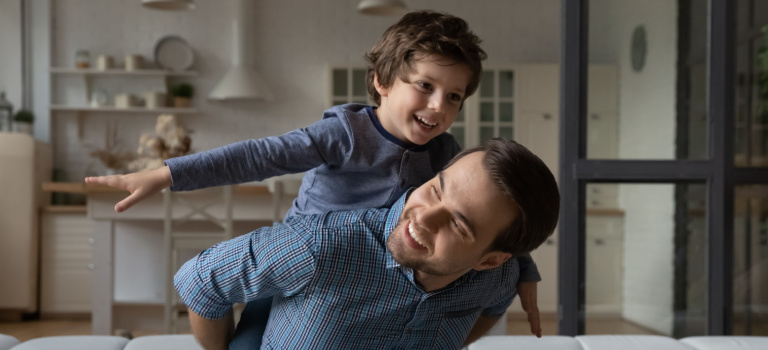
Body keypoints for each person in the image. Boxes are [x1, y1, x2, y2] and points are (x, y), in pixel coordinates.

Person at [85, 10, 544, 346]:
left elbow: (487, 220)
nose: (439, 106)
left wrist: (524, 271)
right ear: (382, 80)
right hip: (301, 269)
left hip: (378, 281)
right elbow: (259, 156)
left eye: (454, 97)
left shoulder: (446, 154)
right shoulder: (345, 134)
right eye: (424, 86)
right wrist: (167, 172)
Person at [175, 139, 560, 350]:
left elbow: (494, 303)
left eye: (458, 225)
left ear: (490, 259)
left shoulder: (499, 277)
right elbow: (201, 280)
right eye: (435, 189)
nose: (423, 217)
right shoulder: (319, 245)